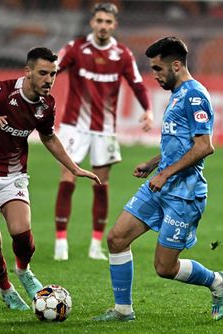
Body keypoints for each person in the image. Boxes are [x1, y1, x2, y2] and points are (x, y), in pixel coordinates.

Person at [0, 47, 100, 310]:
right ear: (28, 72)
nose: (48, 80)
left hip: (13, 175)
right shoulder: (2, 92)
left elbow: (49, 137)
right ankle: (6, 290)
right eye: (43, 73)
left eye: (53, 74)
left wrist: (74, 167)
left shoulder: (47, 104)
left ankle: (24, 271)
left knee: (21, 232)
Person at [93, 36, 223, 322]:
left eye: (157, 69)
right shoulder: (177, 94)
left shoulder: (195, 96)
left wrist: (165, 172)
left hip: (184, 195)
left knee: (164, 268)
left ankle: (217, 281)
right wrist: (154, 163)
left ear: (177, 65)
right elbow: (181, 144)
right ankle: (123, 310)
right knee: (117, 238)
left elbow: (205, 146)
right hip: (159, 186)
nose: (153, 75)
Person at [53, 2, 153, 261]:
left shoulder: (122, 54)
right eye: (99, 21)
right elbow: (52, 70)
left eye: (108, 22)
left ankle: (95, 244)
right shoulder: (76, 48)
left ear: (114, 25)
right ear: (92, 23)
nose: (103, 26)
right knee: (68, 178)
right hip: (74, 126)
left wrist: (148, 110)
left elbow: (137, 83)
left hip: (105, 130)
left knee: (101, 184)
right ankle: (60, 241)